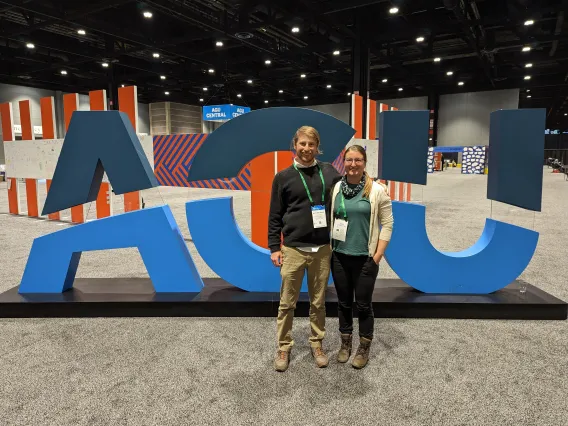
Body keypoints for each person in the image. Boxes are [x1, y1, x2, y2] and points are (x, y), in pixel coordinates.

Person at [268, 125, 341, 372]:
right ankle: (284, 346)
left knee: (318, 302)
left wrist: (371, 184)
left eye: (311, 144)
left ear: (317, 147)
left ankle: (316, 343)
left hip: (322, 249)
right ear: (295, 145)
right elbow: (275, 215)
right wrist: (274, 247)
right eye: (302, 144)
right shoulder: (283, 177)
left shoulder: (330, 172)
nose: (307, 149)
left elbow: (348, 192)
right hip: (293, 250)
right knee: (287, 303)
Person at [329, 145, 394, 369]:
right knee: (344, 303)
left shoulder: (377, 190)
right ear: (343, 162)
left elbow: (388, 224)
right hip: (338, 256)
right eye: (349, 160)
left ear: (364, 163)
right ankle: (345, 343)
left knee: (363, 305)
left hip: (365, 258)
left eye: (358, 160)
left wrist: (377, 256)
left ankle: (364, 346)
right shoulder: (336, 188)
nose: (353, 164)